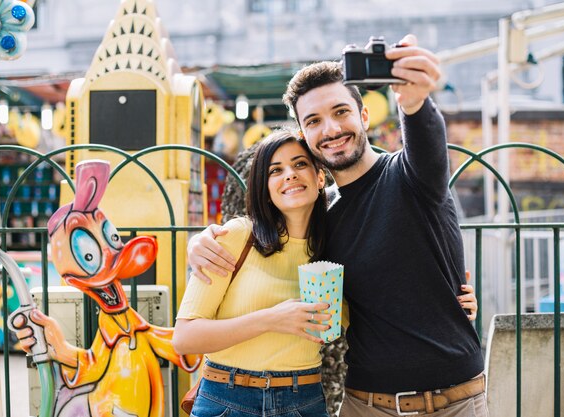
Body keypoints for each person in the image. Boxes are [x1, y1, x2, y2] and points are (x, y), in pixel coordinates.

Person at [186, 34, 487, 417]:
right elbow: (262, 234)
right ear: (305, 136)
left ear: (364, 116)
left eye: (340, 112)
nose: (330, 129)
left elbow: (425, 135)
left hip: (453, 400)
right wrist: (198, 242)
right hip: (364, 403)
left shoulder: (412, 174)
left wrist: (412, 101)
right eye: (313, 121)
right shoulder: (318, 216)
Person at [173, 130, 333, 417]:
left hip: (304, 401)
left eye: (299, 164)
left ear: (319, 177)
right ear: (264, 187)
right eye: (276, 170)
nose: (290, 175)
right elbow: (185, 338)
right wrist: (272, 319)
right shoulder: (236, 236)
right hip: (227, 398)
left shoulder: (336, 246)